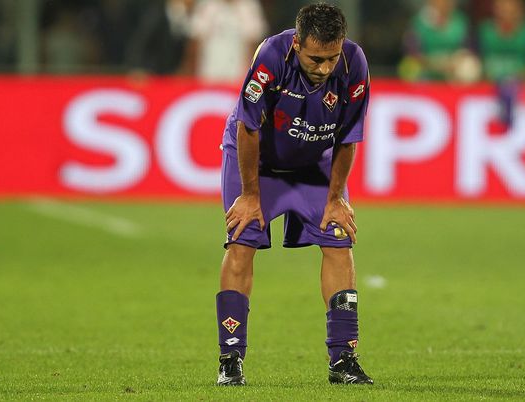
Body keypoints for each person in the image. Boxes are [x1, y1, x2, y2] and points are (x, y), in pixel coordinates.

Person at [215, 3, 373, 386]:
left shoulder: (353, 64)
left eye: (331, 58)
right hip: (258, 163)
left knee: (339, 241)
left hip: (314, 164)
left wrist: (336, 199)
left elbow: (348, 137)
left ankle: (344, 360)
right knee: (242, 242)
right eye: (315, 58)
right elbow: (248, 127)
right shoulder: (270, 56)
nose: (323, 68)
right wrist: (250, 194)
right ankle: (231, 359)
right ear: (297, 43)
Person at [399, 0, 480, 82]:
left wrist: (458, 61)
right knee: (411, 67)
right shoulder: (418, 23)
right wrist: (439, 65)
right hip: (426, 74)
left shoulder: (461, 21)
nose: (443, 3)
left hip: (454, 75)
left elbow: (470, 50)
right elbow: (413, 55)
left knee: (469, 67)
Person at [186, 0, 267, 82]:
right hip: (208, 73)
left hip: (238, 75)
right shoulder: (206, 4)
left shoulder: (249, 5)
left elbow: (255, 43)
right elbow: (195, 40)